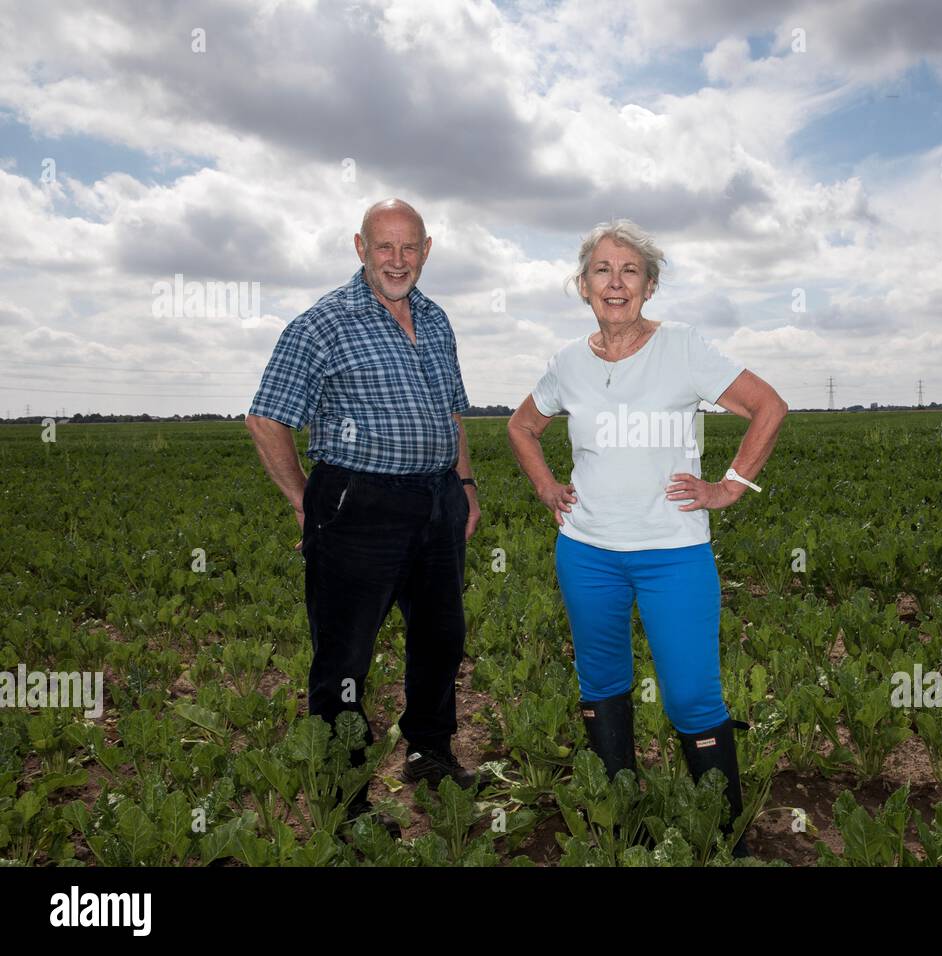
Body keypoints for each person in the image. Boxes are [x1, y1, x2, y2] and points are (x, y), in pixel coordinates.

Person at [507, 219, 787, 856]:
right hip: (587, 551)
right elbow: (522, 428)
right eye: (602, 270)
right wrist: (549, 488)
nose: (615, 282)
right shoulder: (567, 363)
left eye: (629, 270)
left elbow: (769, 406)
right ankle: (619, 818)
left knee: (692, 694)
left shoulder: (684, 348)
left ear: (650, 286)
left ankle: (726, 840)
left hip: (673, 553)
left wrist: (730, 486)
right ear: (583, 286)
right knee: (601, 682)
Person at [245, 199, 481, 834]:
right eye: (385, 247)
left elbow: (451, 411)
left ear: (426, 250)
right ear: (360, 248)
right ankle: (344, 795)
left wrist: (464, 483)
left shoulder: (435, 321)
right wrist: (305, 501)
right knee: (345, 657)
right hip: (358, 504)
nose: (397, 261)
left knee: (441, 637)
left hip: (437, 501)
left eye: (410, 248)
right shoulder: (321, 325)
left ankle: (430, 754)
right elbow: (266, 417)